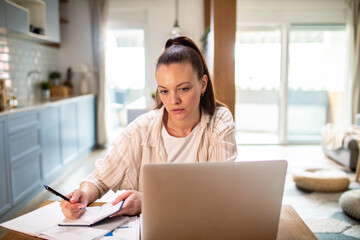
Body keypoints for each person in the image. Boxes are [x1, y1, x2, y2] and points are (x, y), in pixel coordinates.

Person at [60, 36, 237, 219]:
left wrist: (149, 201)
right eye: (164, 91)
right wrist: (83, 194)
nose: (173, 101)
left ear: (202, 84)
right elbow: (100, 179)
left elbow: (219, 191)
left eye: (183, 89)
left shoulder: (219, 122)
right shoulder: (140, 129)